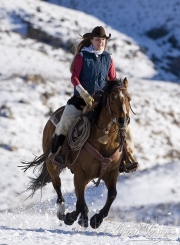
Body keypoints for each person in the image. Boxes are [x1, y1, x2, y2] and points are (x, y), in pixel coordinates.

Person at [48, 26, 136, 170]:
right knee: (66, 120)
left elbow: (113, 79)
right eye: (97, 40)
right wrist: (83, 93)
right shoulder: (82, 56)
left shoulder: (108, 58)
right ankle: (58, 153)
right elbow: (74, 77)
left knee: (124, 125)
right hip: (80, 98)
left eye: (102, 40)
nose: (100, 42)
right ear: (91, 40)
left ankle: (127, 157)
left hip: (102, 100)